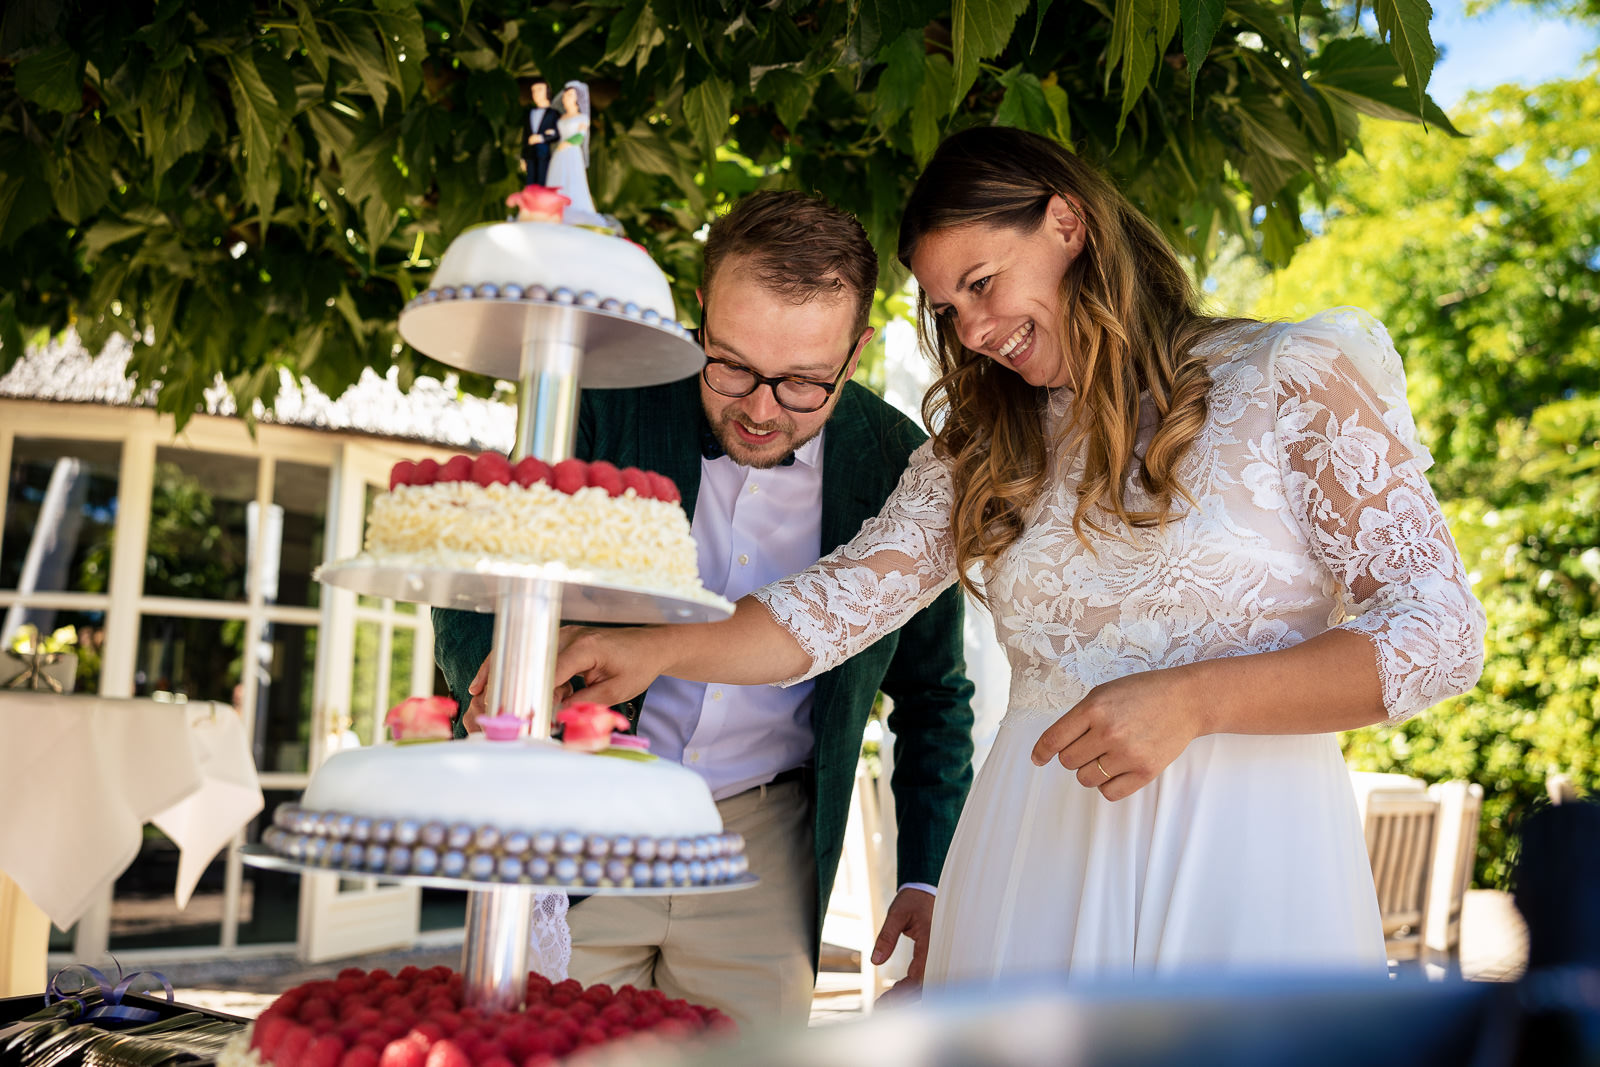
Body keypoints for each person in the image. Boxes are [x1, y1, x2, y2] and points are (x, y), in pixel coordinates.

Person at [549, 126, 1488, 987]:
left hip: (1238, 862)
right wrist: (655, 650)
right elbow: (830, 608)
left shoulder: (1292, 377)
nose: (973, 331)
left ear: (1067, 223)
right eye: (948, 308)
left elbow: (1440, 633)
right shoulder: (979, 445)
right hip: (1030, 859)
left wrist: (1200, 700)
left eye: (983, 283)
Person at [433, 190, 976, 1026]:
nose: (761, 408)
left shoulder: (902, 462)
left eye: (802, 382)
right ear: (700, 314)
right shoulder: (604, 396)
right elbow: (483, 568)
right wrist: (497, 686)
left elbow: (935, 696)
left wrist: (926, 870)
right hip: (588, 813)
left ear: (858, 350)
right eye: (732, 366)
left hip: (767, 846)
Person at [543, 81, 601, 227]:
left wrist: (568, 143)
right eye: (566, 95)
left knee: (573, 179)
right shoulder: (561, 118)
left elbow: (580, 136)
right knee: (556, 177)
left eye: (570, 95)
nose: (566, 98)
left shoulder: (582, 118)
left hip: (571, 152)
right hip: (560, 153)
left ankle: (574, 210)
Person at [519, 78, 561, 187]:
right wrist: (523, 157)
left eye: (539, 89)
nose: (536, 93)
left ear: (547, 91)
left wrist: (542, 138)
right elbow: (525, 136)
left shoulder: (553, 114)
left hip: (546, 155)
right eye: (534, 91)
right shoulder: (529, 114)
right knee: (531, 183)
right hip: (531, 154)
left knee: (544, 182)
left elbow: (557, 133)